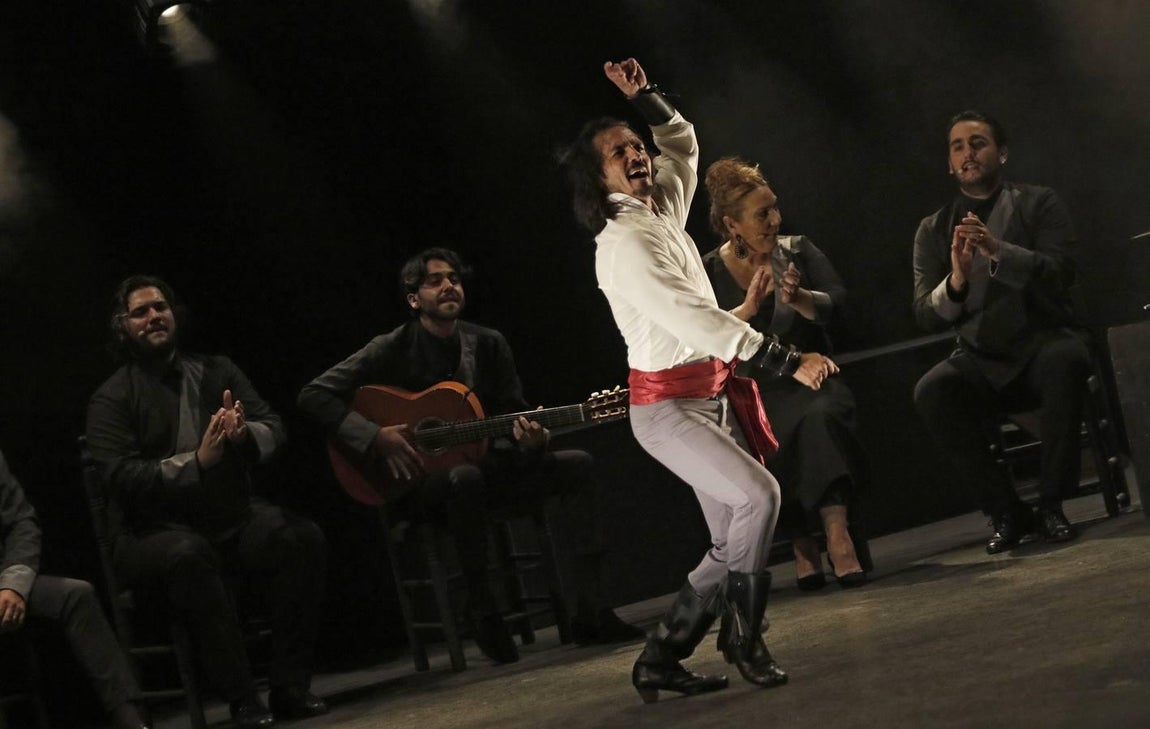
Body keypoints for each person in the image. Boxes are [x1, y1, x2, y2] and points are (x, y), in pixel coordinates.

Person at [560, 58, 814, 702]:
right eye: (619, 153)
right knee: (760, 499)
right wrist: (786, 358)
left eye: (635, 146)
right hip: (668, 412)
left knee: (734, 541)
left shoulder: (660, 211)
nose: (636, 155)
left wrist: (643, 96)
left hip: (707, 396)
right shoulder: (623, 243)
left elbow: (682, 143)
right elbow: (694, 320)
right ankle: (743, 635)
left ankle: (662, 655)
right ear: (599, 176)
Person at [296, 247, 643, 665]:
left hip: (490, 470)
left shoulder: (487, 344)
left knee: (577, 465)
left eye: (454, 279)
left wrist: (528, 440)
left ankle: (593, 610)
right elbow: (312, 395)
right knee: (464, 479)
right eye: (434, 280)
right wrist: (374, 437)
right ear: (413, 299)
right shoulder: (390, 348)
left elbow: (512, 412)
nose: (448, 286)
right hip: (425, 486)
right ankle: (484, 611)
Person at [85, 275, 329, 729]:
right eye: (140, 312)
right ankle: (242, 698)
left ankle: (290, 685)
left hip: (227, 516)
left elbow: (273, 425)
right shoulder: (112, 397)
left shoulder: (217, 370)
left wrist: (244, 434)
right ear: (123, 326)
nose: (154, 316)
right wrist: (196, 462)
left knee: (299, 538)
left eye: (160, 307)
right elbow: (119, 476)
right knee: (189, 556)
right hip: (153, 532)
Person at [912, 110, 1088, 555]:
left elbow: (1061, 272)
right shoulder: (933, 229)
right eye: (957, 147)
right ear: (949, 164)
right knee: (932, 391)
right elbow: (924, 314)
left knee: (1066, 359)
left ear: (1002, 152)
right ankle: (1008, 511)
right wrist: (955, 282)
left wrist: (998, 251)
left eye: (978, 143)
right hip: (980, 355)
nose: (967, 153)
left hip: (1041, 339)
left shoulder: (1038, 202)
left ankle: (1052, 504)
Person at [701, 157, 870, 590]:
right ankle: (800, 541)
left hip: (810, 375)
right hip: (753, 388)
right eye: (762, 214)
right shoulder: (709, 271)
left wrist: (800, 299)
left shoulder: (797, 250)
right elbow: (709, 341)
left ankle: (837, 535)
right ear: (731, 225)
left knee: (821, 414)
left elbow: (838, 302)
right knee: (759, 430)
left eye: (774, 207)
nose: (775, 219)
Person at [0, 449, 147, 729]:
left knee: (76, 595)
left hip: (3, 586)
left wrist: (13, 586)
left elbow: (22, 523)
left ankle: (131, 721)